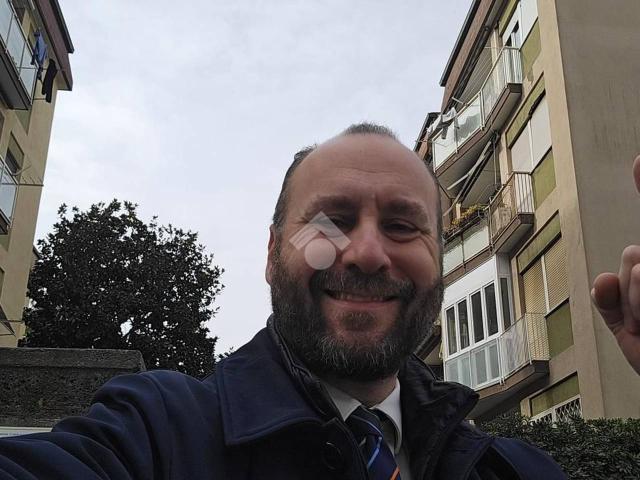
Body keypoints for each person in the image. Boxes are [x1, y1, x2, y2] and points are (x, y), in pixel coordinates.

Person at [8, 121, 633, 479]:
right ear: (272, 251)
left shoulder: (515, 472)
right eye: (330, 222)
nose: (366, 252)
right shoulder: (157, 436)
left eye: (403, 226)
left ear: (439, 260)